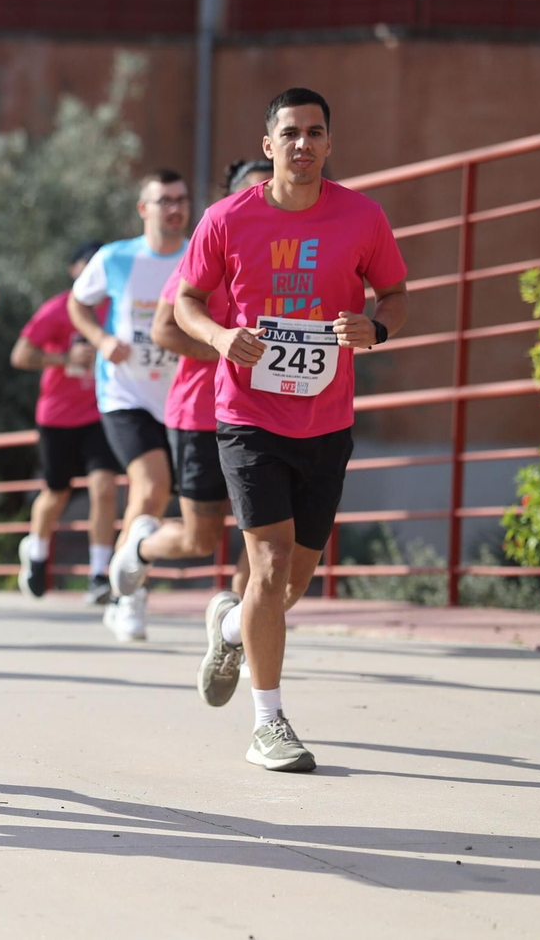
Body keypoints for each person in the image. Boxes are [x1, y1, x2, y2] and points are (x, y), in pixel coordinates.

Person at [173, 88, 408, 772]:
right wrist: (221, 335)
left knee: (289, 584)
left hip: (327, 420)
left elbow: (394, 291)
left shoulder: (363, 217)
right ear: (268, 144)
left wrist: (378, 326)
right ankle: (268, 723)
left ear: (329, 145)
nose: (303, 144)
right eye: (290, 133)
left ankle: (226, 623)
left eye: (315, 133)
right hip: (248, 416)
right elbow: (187, 300)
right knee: (268, 567)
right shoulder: (226, 219)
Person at [107, 163, 276, 683]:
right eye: (253, 190)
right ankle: (140, 545)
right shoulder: (211, 245)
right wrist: (225, 346)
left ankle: (245, 631)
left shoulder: (291, 255)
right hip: (202, 410)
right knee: (201, 539)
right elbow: (162, 330)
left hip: (269, 412)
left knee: (264, 535)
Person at [66, 169, 190, 642]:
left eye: (181, 200)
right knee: (152, 484)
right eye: (164, 201)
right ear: (144, 209)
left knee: (154, 495)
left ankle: (122, 587)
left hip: (178, 396)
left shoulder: (198, 256)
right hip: (124, 393)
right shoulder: (116, 257)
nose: (174, 208)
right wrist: (101, 338)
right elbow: (78, 304)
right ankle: (132, 595)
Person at [10, 241, 120, 601]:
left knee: (104, 487)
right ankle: (37, 556)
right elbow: (21, 355)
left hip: (101, 413)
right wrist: (64, 358)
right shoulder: (57, 309)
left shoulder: (116, 309)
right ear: (74, 271)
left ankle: (100, 574)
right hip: (57, 417)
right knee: (56, 492)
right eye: (86, 268)